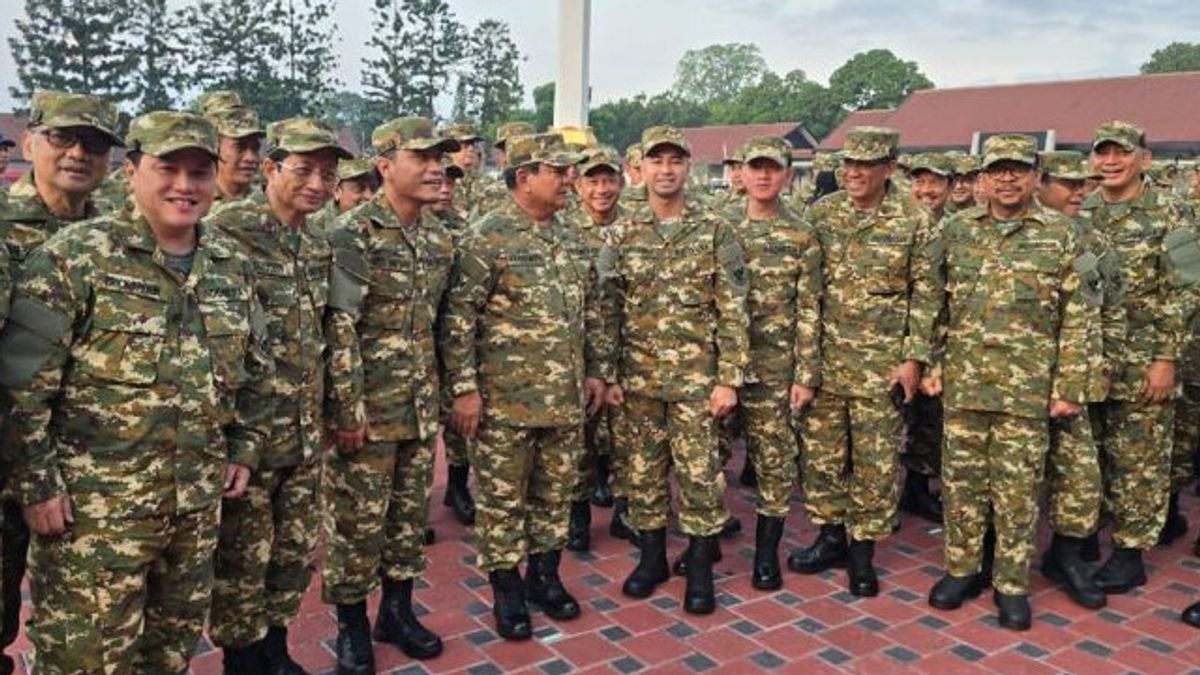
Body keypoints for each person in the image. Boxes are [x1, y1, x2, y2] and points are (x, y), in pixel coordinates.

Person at [0, 110, 274, 673]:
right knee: (85, 662)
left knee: (168, 657)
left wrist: (246, 447)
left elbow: (258, 370)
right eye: (167, 168)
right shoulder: (73, 258)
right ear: (132, 172)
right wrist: (36, 484)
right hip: (94, 522)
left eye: (200, 172)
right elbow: (21, 387)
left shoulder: (231, 265)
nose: (184, 185)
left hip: (194, 514)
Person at [925, 134, 1094, 630]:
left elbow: (1078, 316)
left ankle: (1012, 583)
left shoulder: (1062, 234)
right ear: (980, 179)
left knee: (1019, 492)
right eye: (997, 169)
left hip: (1028, 390)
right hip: (966, 384)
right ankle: (962, 569)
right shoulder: (956, 231)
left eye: (1017, 169)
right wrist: (932, 364)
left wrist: (1069, 386)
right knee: (961, 486)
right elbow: (935, 305)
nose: (1007, 178)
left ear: (1034, 177)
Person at [443, 133, 606, 640]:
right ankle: (507, 590)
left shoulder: (574, 237)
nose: (567, 180)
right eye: (556, 172)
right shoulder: (486, 237)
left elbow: (593, 312)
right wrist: (465, 389)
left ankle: (545, 577)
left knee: (554, 497)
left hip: (564, 401)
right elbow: (457, 319)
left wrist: (597, 370)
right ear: (522, 178)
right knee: (502, 501)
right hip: (504, 404)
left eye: (567, 171)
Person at [206, 117, 353, 674]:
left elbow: (331, 332)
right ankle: (242, 661)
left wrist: (339, 409)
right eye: (304, 170)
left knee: (293, 553)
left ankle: (276, 648)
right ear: (271, 169)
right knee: (244, 558)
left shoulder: (318, 241)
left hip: (304, 430)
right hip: (250, 435)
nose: (317, 183)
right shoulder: (227, 231)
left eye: (327, 173)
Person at [321, 117, 459, 673]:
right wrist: (348, 409)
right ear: (384, 166)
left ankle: (397, 613)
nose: (436, 169)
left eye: (440, 160)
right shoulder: (351, 235)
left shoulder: (438, 237)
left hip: (419, 405)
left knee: (406, 520)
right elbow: (340, 327)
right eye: (422, 159)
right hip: (368, 414)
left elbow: (440, 324)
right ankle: (351, 628)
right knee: (356, 526)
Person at [601, 126, 750, 615]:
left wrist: (729, 377)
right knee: (642, 475)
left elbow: (733, 309)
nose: (665, 170)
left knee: (701, 477)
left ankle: (701, 568)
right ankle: (650, 560)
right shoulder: (621, 232)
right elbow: (608, 309)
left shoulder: (714, 230)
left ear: (689, 167)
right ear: (640, 168)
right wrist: (610, 374)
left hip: (696, 382)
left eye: (675, 161)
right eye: (656, 161)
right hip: (638, 381)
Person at [0, 89, 123, 673]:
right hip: (11, 463)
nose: (78, 153)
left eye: (95, 144)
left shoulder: (117, 238)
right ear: (30, 142)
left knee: (75, 629)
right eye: (62, 138)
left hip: (81, 473)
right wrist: (30, 475)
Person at [787, 127, 937, 597]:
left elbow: (926, 298)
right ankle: (830, 536)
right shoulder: (823, 216)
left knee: (875, 465)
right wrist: (806, 370)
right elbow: (807, 296)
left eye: (866, 165)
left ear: (889, 168)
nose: (852, 172)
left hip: (882, 368)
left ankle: (862, 551)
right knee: (823, 460)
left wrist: (913, 360)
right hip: (828, 364)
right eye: (848, 163)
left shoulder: (915, 221)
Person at [1080, 121, 1200, 593]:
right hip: (1093, 359)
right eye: (1102, 152)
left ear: (1143, 159)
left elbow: (1185, 293)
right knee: (1089, 454)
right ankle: (1085, 533)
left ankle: (1130, 553)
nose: (1110, 162)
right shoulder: (1083, 212)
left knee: (1140, 457)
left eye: (1121, 153)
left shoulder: (1171, 216)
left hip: (1145, 358)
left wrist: (1165, 359)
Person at [727, 135, 821, 591]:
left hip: (775, 368)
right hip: (723, 369)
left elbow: (810, 308)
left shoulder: (802, 233)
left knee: (775, 463)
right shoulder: (715, 225)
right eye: (755, 167)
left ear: (786, 175)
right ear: (740, 173)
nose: (763, 176)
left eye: (773, 168)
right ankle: (701, 541)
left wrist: (804, 374)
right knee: (704, 460)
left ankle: (766, 555)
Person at [1033, 150, 1123, 610]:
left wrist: (1097, 368)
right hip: (1011, 379)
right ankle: (988, 558)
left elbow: (1108, 306)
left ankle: (1065, 556)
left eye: (1083, 184)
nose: (1079, 192)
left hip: (1069, 379)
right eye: (1067, 183)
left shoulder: (1089, 239)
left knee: (1078, 474)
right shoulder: (983, 231)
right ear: (1039, 182)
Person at [563, 145, 627, 552]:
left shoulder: (637, 228)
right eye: (593, 180)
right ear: (577, 184)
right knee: (579, 441)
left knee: (627, 439)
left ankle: (626, 512)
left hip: (629, 351)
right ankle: (578, 517)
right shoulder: (564, 232)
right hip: (581, 355)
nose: (602, 189)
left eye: (609, 180)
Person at [900, 152, 955, 522]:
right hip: (896, 339)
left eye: (935, 182)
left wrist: (935, 357)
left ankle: (917, 488)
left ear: (950, 187)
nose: (926, 189)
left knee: (931, 421)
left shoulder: (959, 230)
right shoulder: (899, 224)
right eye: (919, 181)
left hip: (941, 340)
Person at [199, 91, 266, 207]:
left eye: (255, 148)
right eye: (240, 147)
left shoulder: (270, 202)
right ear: (214, 148)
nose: (250, 158)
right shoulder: (194, 202)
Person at [310, 157, 379, 233]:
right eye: (360, 188)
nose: (369, 196)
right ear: (336, 191)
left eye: (373, 188)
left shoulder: (383, 218)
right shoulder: (315, 227)